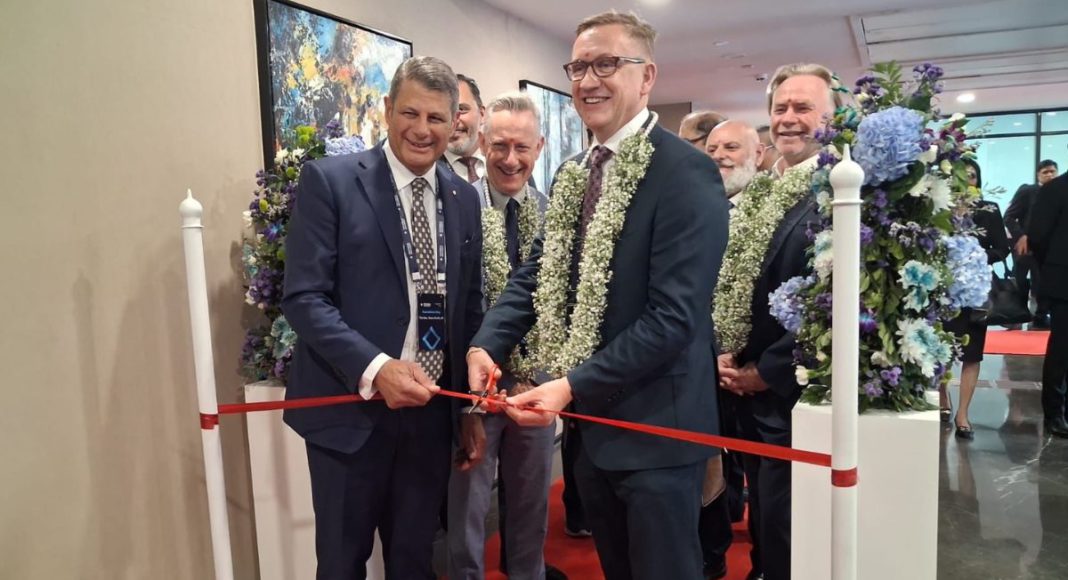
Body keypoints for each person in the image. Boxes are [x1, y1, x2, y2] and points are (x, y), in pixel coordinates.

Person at [468, 10, 730, 579]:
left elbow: (674, 317)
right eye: (580, 65)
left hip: (659, 435)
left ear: (647, 76)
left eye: (608, 63)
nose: (589, 80)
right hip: (591, 435)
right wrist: (485, 345)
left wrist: (568, 385)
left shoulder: (685, 173)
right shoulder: (571, 172)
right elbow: (536, 276)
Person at [281, 56, 484, 579]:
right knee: (343, 564)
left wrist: (466, 412)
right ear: (388, 109)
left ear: (454, 123)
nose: (422, 129)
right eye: (410, 113)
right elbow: (304, 298)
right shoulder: (330, 182)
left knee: (414, 562)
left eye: (437, 118)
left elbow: (465, 309)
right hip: (350, 414)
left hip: (430, 417)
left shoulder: (463, 198)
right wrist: (377, 368)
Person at [715, 63, 844, 580]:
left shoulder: (839, 192)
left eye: (803, 108)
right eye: (780, 108)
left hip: (793, 392)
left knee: (790, 526)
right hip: (751, 396)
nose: (788, 119)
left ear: (832, 118)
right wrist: (726, 348)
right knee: (766, 518)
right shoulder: (767, 189)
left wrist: (766, 371)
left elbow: (831, 303)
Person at [446, 92, 557, 580]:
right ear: (483, 143)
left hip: (535, 383)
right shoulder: (458, 207)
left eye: (523, 148)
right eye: (501, 146)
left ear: (541, 147)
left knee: (532, 497)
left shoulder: (556, 213)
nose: (511, 160)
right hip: (473, 388)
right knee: (467, 504)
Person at [701, 118, 768, 580]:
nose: (721, 155)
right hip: (699, 367)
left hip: (754, 375)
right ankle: (712, 553)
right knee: (706, 469)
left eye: (732, 147)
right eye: (712, 148)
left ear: (757, 155)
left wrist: (743, 355)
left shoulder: (773, 211)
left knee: (761, 481)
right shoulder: (695, 208)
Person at [940, 159, 1010, 440]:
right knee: (942, 353)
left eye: (972, 175)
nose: (967, 180)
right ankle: (944, 399)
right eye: (962, 175)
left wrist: (976, 257)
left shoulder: (989, 209)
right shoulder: (941, 207)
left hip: (976, 292)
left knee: (972, 354)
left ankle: (963, 415)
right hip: (945, 292)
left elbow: (1002, 248)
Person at [1025, 169, 1068, 438]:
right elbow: (1037, 237)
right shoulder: (1055, 189)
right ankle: (1054, 412)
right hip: (1063, 280)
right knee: (1062, 348)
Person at [1005, 159, 1059, 329]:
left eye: (1052, 171)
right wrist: (1021, 236)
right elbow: (1009, 217)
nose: (1050, 175)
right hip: (1024, 246)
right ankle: (1015, 317)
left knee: (1042, 283)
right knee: (1020, 281)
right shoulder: (1028, 191)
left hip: (1048, 249)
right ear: (1038, 175)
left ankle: (1040, 317)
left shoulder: (1060, 193)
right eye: (1045, 172)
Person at [443, 74, 487, 183]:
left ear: (482, 114)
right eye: (444, 112)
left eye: (461, 109)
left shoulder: (508, 166)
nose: (453, 120)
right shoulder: (427, 171)